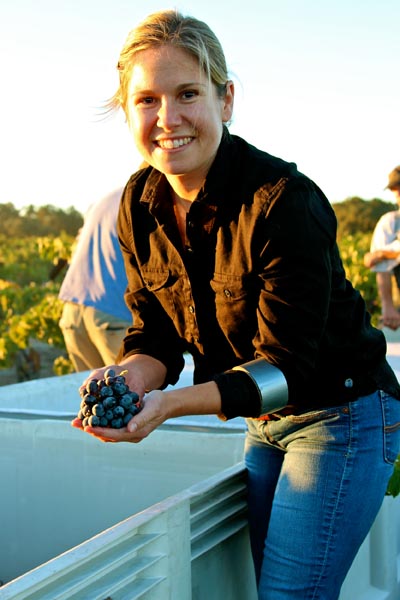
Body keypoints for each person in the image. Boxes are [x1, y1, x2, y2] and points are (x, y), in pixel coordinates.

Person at [72, 11, 400, 599]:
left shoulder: (282, 201)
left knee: (288, 596)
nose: (167, 119)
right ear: (127, 113)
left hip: (340, 417)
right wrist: (123, 379)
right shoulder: (138, 202)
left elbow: (286, 369)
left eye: (188, 94)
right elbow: (156, 338)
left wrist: (165, 406)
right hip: (264, 424)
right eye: (146, 100)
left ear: (226, 100)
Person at [59, 188, 132, 371]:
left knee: (93, 395)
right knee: (130, 394)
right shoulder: (144, 198)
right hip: (115, 313)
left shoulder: (104, 200)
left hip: (73, 311)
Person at [364, 165, 400, 330]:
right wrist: (388, 306)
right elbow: (376, 263)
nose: (397, 192)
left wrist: (384, 253)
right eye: (394, 188)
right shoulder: (390, 221)